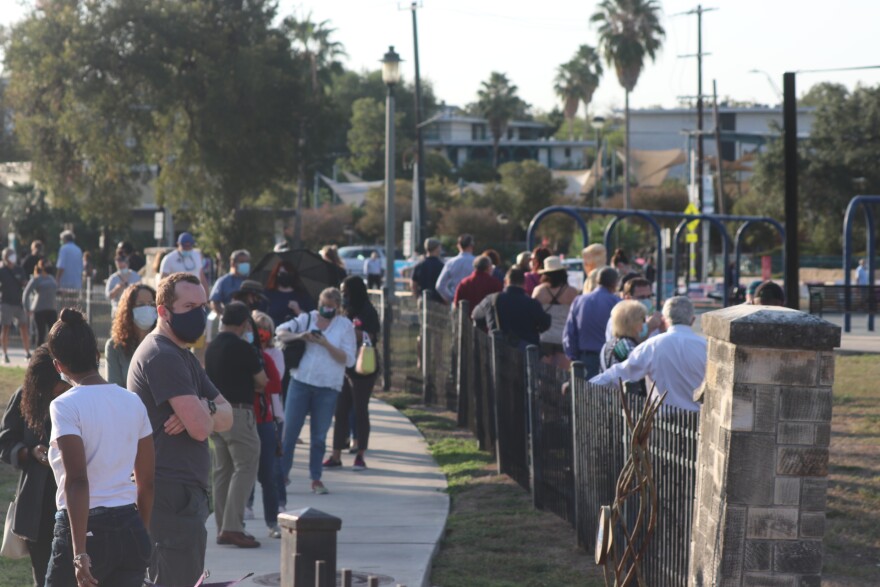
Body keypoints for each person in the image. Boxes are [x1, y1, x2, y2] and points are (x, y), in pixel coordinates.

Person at [127, 272, 233, 587]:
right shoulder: (161, 355)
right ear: (163, 311)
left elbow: (228, 417)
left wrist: (203, 406)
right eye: (189, 306)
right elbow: (202, 429)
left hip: (182, 496)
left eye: (202, 305)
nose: (198, 314)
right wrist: (203, 414)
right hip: (169, 494)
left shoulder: (182, 356)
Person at [44, 308, 154, 587]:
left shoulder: (64, 405)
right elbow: (147, 481)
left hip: (85, 527)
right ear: (97, 355)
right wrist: (140, 533)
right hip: (130, 524)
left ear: (58, 365)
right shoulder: (133, 402)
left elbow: (77, 480)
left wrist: (79, 553)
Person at [0, 346, 70, 586]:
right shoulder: (24, 397)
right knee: (44, 578)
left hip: (76, 504)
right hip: (39, 509)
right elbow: (5, 441)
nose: (57, 393)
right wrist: (27, 452)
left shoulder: (78, 398)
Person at [276, 287, 356, 495]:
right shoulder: (307, 318)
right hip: (301, 381)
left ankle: (316, 478)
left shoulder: (344, 326)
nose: (325, 309)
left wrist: (326, 344)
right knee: (290, 433)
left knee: (318, 436)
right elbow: (280, 331)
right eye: (323, 304)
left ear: (337, 307)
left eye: (330, 306)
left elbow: (348, 359)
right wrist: (301, 335)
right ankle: (282, 476)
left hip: (328, 386)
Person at [205, 302, 267, 549]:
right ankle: (233, 528)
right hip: (239, 413)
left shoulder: (212, 348)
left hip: (215, 414)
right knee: (246, 467)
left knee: (223, 471)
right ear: (243, 324)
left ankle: (223, 527)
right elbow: (262, 381)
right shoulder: (244, 348)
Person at [590, 296, 706, 412]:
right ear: (692, 320)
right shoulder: (705, 346)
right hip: (697, 419)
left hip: (664, 421)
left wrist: (588, 386)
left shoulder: (652, 345)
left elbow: (620, 373)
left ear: (664, 319)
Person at [324, 276, 380, 471]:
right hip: (345, 365)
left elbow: (370, 335)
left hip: (363, 367)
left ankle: (361, 454)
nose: (344, 296)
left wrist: (348, 330)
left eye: (346, 292)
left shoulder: (368, 311)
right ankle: (336, 454)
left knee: (360, 409)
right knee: (340, 411)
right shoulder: (344, 312)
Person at [249, 311, 284, 537]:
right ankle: (242, 510)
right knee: (243, 471)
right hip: (242, 419)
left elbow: (276, 385)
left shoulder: (266, 357)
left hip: (264, 420)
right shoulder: (242, 355)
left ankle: (272, 521)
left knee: (268, 474)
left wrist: (259, 387)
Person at [472, 267, 551, 351]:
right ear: (524, 283)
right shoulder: (532, 303)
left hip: (498, 352)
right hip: (526, 354)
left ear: (505, 281)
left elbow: (476, 316)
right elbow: (545, 324)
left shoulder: (492, 300)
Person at [563, 267, 620, 379]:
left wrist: (574, 357)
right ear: (615, 283)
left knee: (583, 394)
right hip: (609, 360)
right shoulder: (617, 303)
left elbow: (569, 334)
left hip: (584, 358)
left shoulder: (579, 301)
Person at [105, 284, 157, 387]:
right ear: (128, 309)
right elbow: (115, 389)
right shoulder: (114, 346)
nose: (147, 308)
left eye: (151, 304)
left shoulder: (163, 343)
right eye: (141, 304)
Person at [532, 256, 578, 367]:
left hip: (544, 337)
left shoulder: (539, 291)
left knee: (543, 376)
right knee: (561, 376)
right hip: (563, 337)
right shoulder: (572, 292)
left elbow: (532, 312)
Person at [599, 300, 649, 396]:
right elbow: (638, 370)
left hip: (610, 399)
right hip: (627, 403)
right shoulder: (627, 346)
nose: (645, 323)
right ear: (633, 322)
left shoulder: (608, 344)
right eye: (643, 319)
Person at [604, 277, 664, 343]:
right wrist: (649, 327)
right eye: (642, 297)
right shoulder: (618, 319)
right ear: (627, 298)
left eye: (649, 296)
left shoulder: (653, 317)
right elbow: (625, 348)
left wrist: (663, 329)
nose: (646, 300)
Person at [0, 247, 32, 363]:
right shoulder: (2, 270)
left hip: (19, 303)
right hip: (6, 303)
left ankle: (27, 352)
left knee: (24, 326)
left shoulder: (19, 269)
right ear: (5, 257)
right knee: (6, 327)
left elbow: (24, 282)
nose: (13, 256)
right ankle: (5, 353)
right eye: (10, 254)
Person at [265, 262, 315, 328]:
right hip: (273, 332)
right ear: (276, 275)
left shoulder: (302, 295)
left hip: (297, 334)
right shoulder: (268, 294)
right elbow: (262, 316)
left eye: (288, 274)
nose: (285, 276)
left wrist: (298, 310)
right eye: (282, 274)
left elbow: (312, 319)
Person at [23, 260, 58, 346]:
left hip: (51, 309)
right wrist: (27, 308)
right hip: (39, 309)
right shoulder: (36, 279)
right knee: (41, 334)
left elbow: (55, 289)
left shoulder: (51, 278)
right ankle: (39, 356)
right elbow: (26, 293)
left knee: (54, 334)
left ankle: (52, 355)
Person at [209, 249, 251, 316]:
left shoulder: (250, 281)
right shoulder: (223, 281)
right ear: (233, 263)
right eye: (242, 262)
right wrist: (226, 314)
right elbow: (214, 302)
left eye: (247, 262)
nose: (245, 264)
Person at [435, 234, 475, 304]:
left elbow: (439, 285)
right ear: (471, 245)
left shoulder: (450, 262)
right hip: (473, 301)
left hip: (456, 300)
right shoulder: (476, 262)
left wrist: (451, 298)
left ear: (458, 246)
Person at [410, 238, 445, 303]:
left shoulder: (419, 265)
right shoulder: (441, 266)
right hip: (438, 301)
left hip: (423, 299)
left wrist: (417, 297)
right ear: (436, 248)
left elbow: (413, 284)